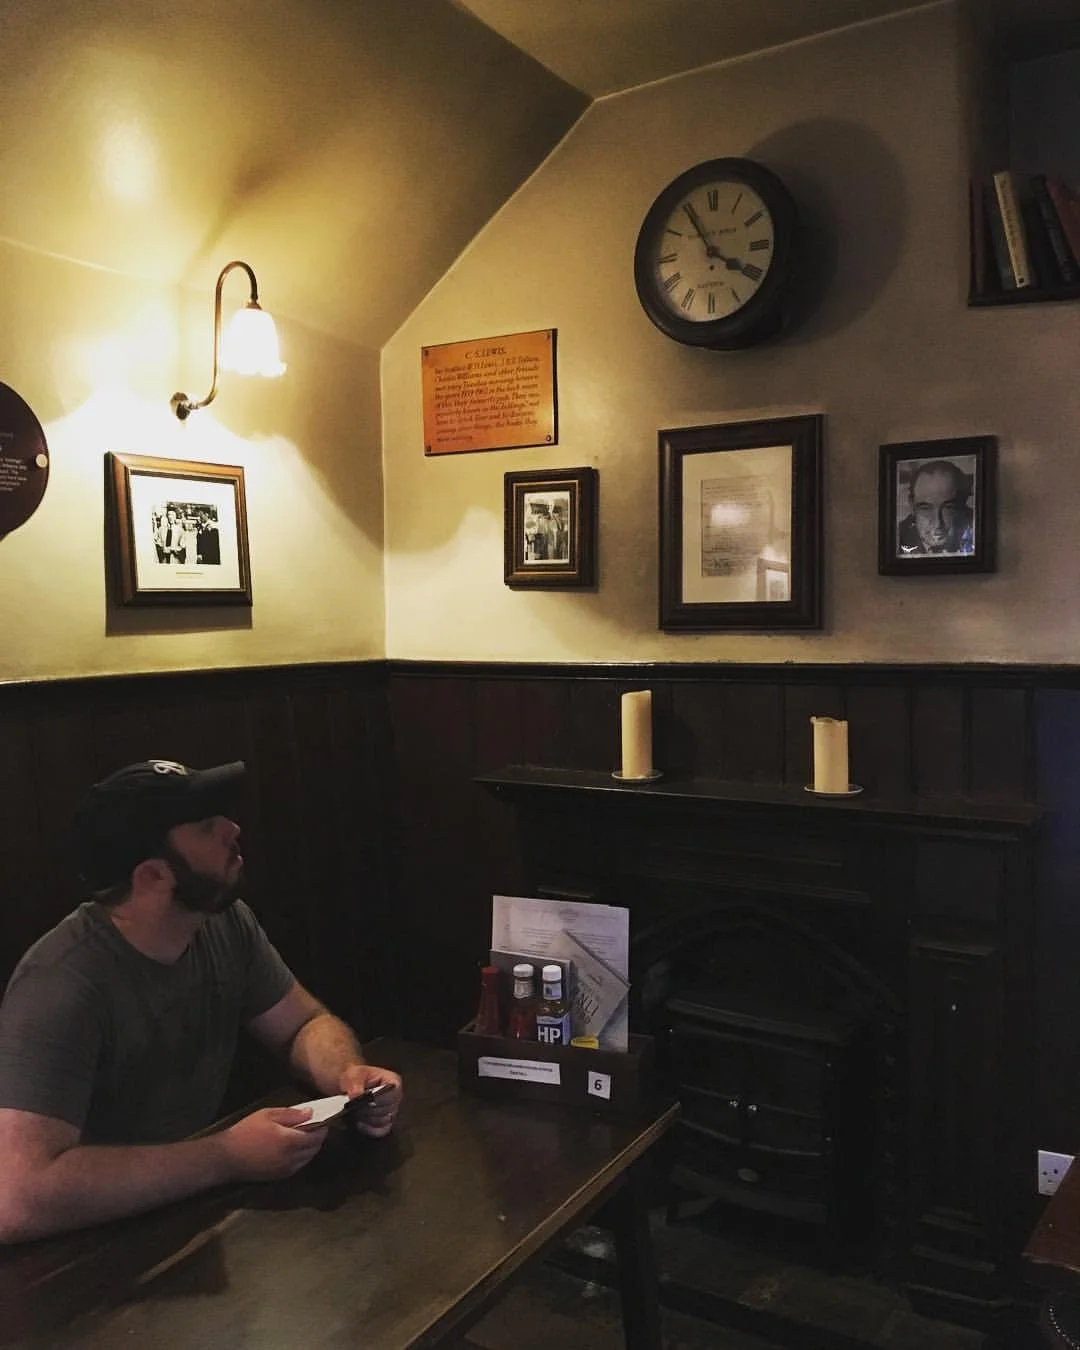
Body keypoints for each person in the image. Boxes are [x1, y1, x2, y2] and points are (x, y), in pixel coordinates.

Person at [0, 758, 403, 1244]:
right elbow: (16, 1197)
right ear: (154, 876)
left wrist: (347, 1076)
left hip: (187, 1216)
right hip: (82, 1254)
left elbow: (302, 1025)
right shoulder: (61, 984)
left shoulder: (222, 922)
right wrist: (224, 1157)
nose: (233, 829)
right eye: (208, 826)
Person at [897, 459, 974, 556]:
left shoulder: (976, 531)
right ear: (912, 506)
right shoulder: (897, 539)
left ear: (962, 504)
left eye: (948, 508)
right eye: (925, 508)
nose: (938, 524)